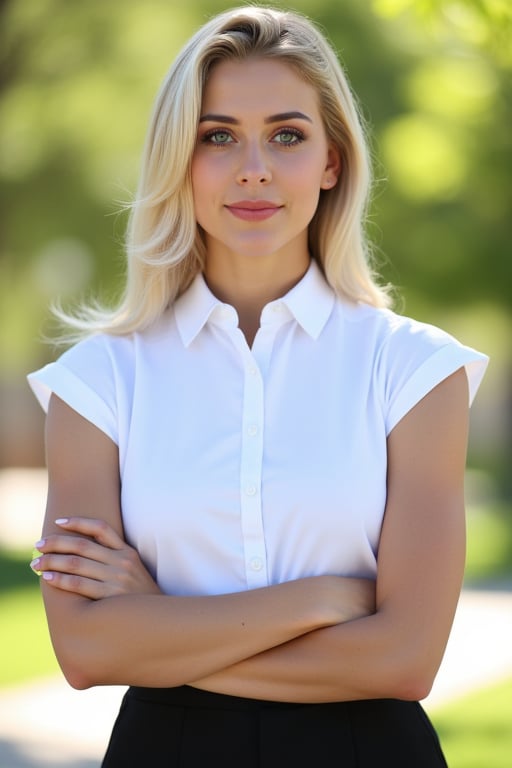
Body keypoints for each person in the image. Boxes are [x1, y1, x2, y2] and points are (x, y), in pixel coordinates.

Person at [28, 6, 488, 767]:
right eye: (218, 137)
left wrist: (157, 626)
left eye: (287, 135)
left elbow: (405, 660)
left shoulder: (415, 372)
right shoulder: (96, 381)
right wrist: (318, 602)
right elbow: (84, 649)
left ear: (332, 162)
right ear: (180, 159)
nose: (254, 169)